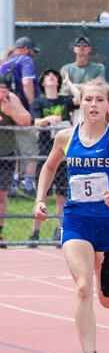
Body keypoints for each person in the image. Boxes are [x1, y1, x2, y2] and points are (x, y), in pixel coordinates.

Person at [33, 80, 109, 353]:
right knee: (83, 287)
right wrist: (40, 200)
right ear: (80, 103)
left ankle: (102, 267)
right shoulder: (66, 137)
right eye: (88, 100)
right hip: (76, 221)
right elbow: (49, 167)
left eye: (99, 100)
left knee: (106, 300)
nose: (93, 105)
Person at [29, 69, 79, 247]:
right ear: (42, 82)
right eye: (47, 75)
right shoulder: (39, 102)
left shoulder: (64, 100)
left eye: (54, 76)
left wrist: (69, 83)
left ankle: (60, 230)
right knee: (42, 194)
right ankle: (35, 232)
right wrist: (48, 119)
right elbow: (35, 122)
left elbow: (80, 100)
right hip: (45, 151)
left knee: (62, 196)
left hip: (64, 154)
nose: (51, 77)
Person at [2, 37, 40, 197]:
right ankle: (29, 186)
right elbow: (27, 83)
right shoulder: (25, 60)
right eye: (32, 51)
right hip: (21, 111)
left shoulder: (4, 63)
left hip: (6, 112)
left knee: (11, 151)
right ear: (26, 49)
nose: (33, 55)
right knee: (30, 149)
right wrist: (32, 107)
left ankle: (10, 185)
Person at [0, 80, 32, 247]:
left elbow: (26, 120)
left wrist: (10, 112)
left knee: (2, 195)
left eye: (4, 88)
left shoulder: (11, 99)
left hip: (6, 154)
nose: (2, 92)